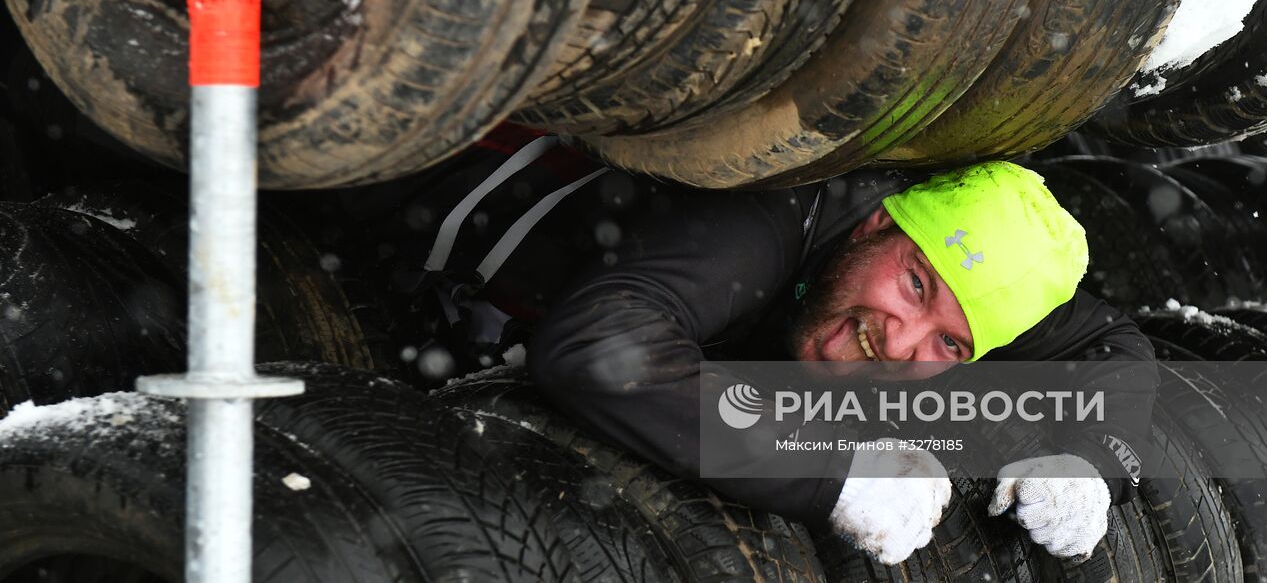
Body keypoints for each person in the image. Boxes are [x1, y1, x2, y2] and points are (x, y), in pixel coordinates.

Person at [396, 134, 1158, 566]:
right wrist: (827, 472)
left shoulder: (974, 292)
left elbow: (1109, 344)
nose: (898, 342)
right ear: (875, 226)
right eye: (916, 286)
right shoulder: (775, 216)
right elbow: (599, 345)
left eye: (948, 344)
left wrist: (1088, 459)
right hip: (421, 246)